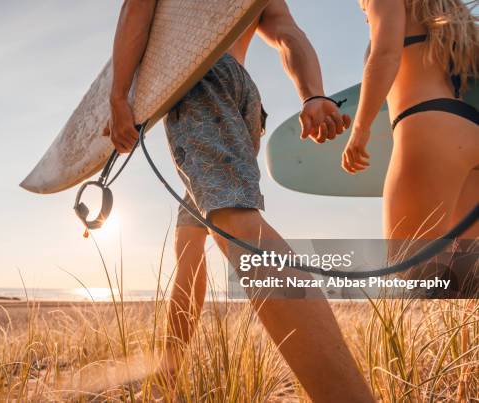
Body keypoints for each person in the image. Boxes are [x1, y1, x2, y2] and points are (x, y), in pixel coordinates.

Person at [104, 1, 375, 401]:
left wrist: (118, 95)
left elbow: (138, 8)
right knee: (190, 243)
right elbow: (287, 34)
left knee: (236, 224)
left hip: (201, 78)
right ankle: (165, 381)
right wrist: (312, 94)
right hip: (243, 95)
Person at [342, 0, 478, 243]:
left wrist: (360, 129)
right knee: (465, 276)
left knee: (410, 271)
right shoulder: (448, 9)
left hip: (427, 129)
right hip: (469, 130)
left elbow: (385, 55)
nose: (366, 16)